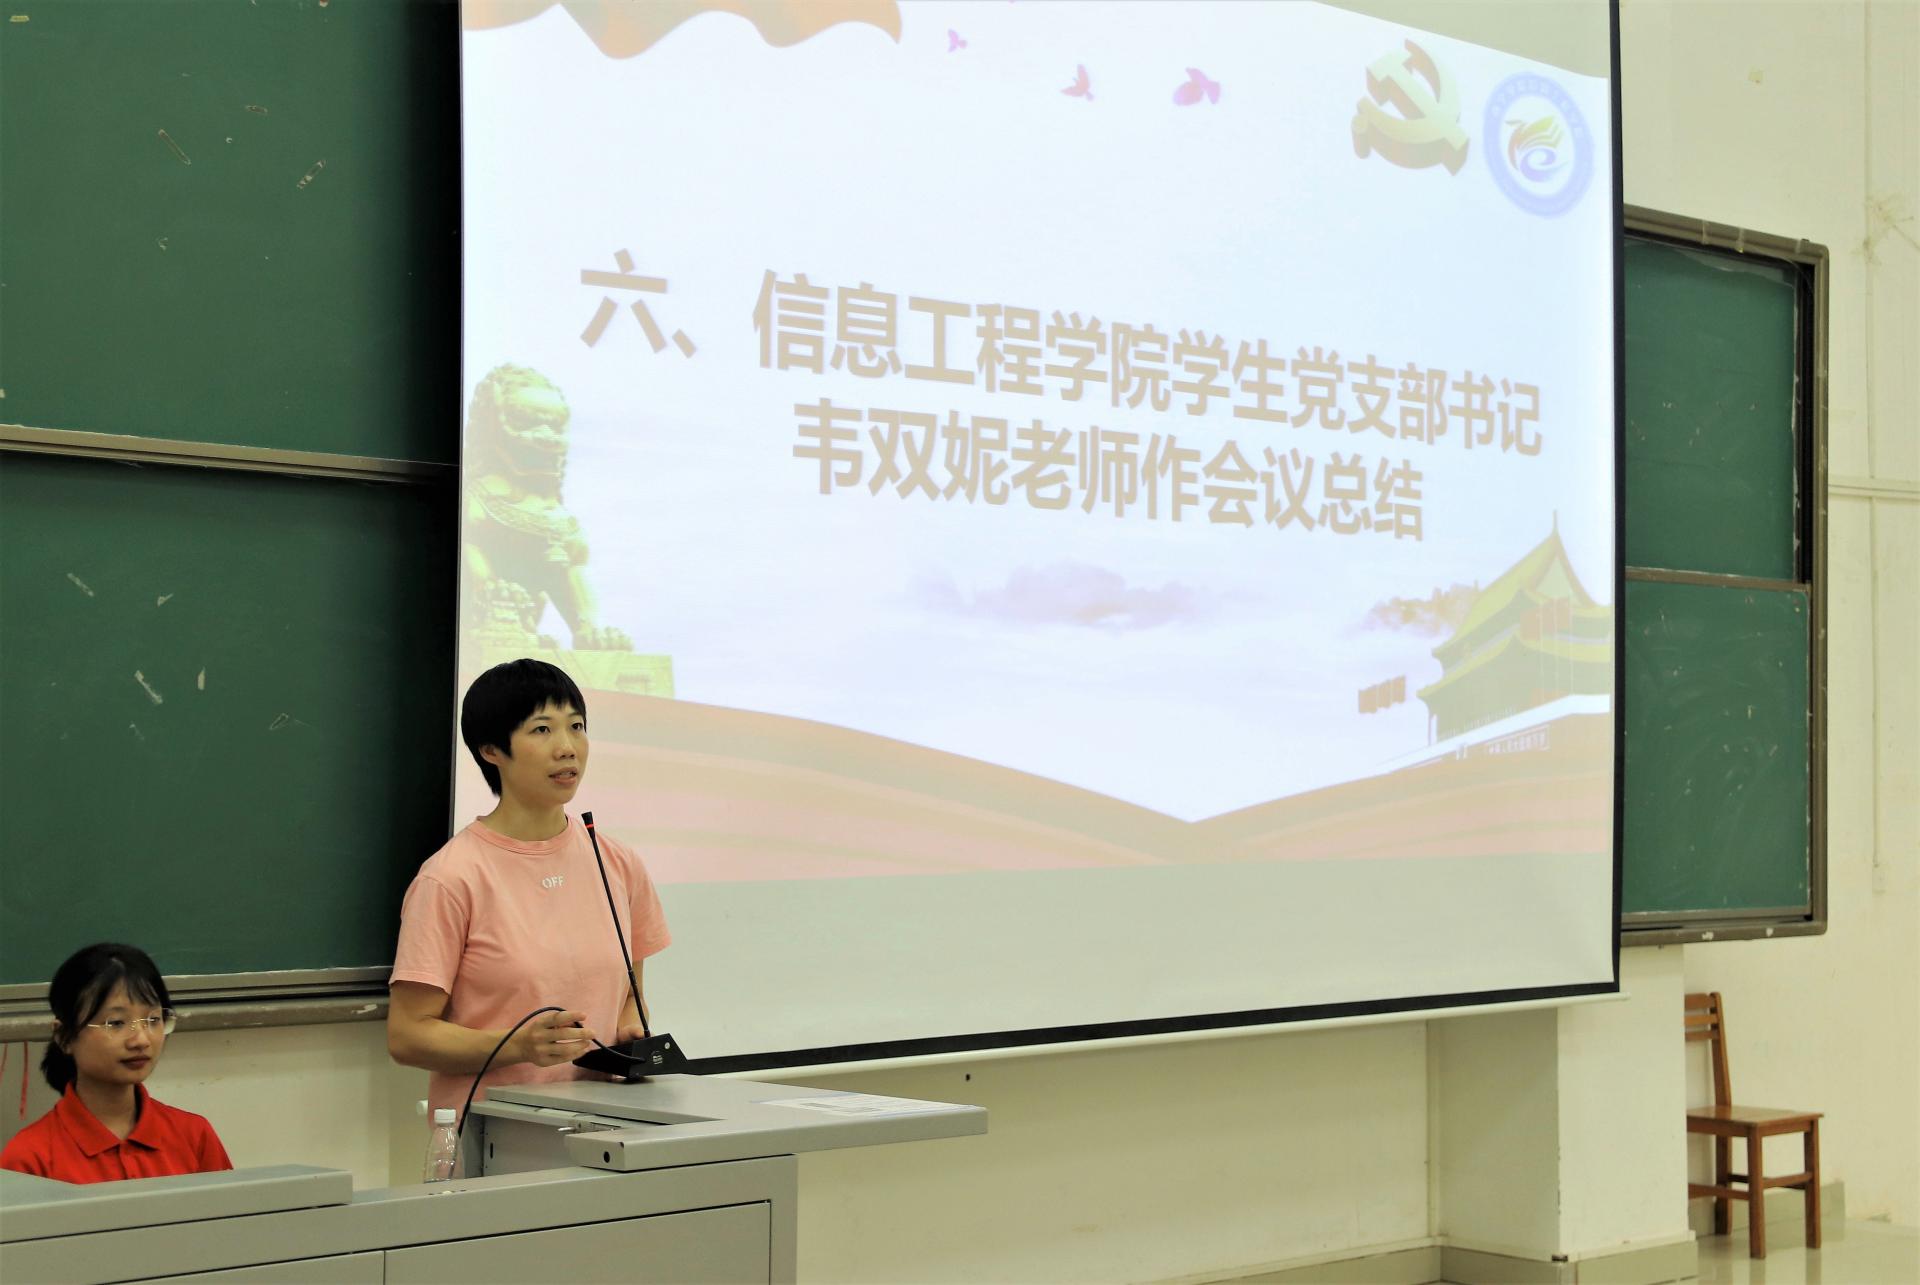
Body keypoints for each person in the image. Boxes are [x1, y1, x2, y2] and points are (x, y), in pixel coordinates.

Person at [387, 659, 671, 1120]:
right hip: (495, 1133)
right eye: (542, 730)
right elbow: (408, 1035)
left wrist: (629, 1027)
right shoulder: (450, 878)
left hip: (605, 1128)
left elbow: (628, 995)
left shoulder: (615, 861)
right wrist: (518, 1045)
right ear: (491, 750)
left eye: (576, 727)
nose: (567, 748)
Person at [1, 943, 231, 1182]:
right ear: (64, 1036)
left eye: (153, 1019)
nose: (141, 1040)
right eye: (116, 1023)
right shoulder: (29, 1158)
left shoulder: (194, 1136)